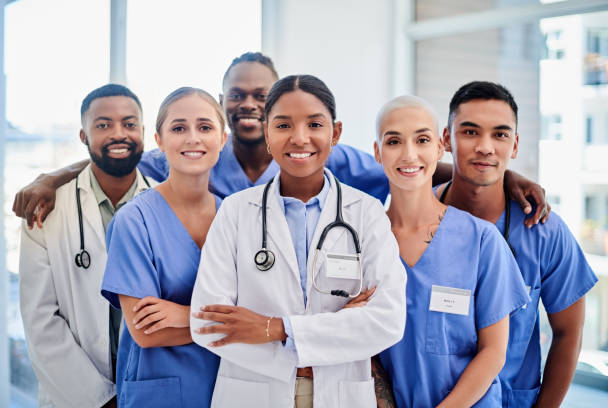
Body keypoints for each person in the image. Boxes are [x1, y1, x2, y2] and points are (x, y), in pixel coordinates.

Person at [13, 52, 548, 228]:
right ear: (224, 107)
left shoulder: (332, 160)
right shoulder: (193, 157)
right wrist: (50, 176)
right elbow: (117, 159)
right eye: (236, 95)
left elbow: (410, 163)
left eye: (260, 95)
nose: (247, 103)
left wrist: (507, 173)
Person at [190, 75, 407, 407]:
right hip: (253, 393)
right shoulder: (235, 212)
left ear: (335, 133)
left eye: (315, 124)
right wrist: (332, 333)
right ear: (266, 133)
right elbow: (208, 324)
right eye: (283, 125)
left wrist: (276, 329)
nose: (300, 138)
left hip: (339, 394)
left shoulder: (367, 213)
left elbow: (387, 320)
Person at [437, 81, 598, 407]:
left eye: (500, 134)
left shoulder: (544, 231)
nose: (485, 147)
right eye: (470, 132)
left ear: (515, 144)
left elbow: (568, 334)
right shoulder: (412, 221)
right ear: (446, 140)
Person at [373, 95, 529, 407]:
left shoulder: (482, 241)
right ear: (377, 152)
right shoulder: (364, 241)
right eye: (393, 141)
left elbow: (494, 352)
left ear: (440, 147)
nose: (409, 153)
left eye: (422, 139)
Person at [19, 84, 152, 408]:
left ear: (145, 133)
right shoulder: (46, 211)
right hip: (73, 396)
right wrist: (100, 401)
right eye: (103, 125)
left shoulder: (167, 203)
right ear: (83, 136)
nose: (118, 133)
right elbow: (40, 321)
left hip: (151, 389)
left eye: (129, 123)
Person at [100, 87, 226, 407]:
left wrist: (183, 315)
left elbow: (261, 311)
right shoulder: (134, 221)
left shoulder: (236, 216)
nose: (193, 138)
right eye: (179, 128)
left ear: (223, 139)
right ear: (159, 140)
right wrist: (236, 327)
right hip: (159, 394)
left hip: (230, 387)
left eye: (205, 127)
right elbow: (147, 332)